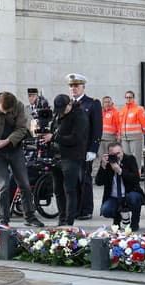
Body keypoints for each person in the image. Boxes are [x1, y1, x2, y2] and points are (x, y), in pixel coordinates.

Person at [0, 91, 44, 227]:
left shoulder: (18, 106)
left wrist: (6, 141)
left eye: (9, 111)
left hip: (14, 148)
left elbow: (21, 129)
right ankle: (3, 220)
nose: (6, 113)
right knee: (3, 185)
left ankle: (29, 217)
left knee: (24, 184)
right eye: (4, 110)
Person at [46, 94, 89, 226]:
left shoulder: (79, 116)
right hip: (56, 156)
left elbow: (75, 138)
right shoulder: (58, 115)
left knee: (69, 189)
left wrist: (54, 137)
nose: (61, 113)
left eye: (63, 110)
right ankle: (61, 218)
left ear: (69, 104)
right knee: (57, 190)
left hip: (71, 157)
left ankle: (69, 221)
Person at [66, 73, 102, 220]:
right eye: (71, 86)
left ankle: (86, 209)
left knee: (85, 180)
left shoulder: (92, 103)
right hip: (71, 150)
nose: (73, 89)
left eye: (76, 86)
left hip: (85, 149)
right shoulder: (68, 104)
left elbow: (97, 128)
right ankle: (75, 209)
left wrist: (93, 149)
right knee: (73, 180)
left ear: (83, 87)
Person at [96, 141, 145, 231]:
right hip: (114, 197)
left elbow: (136, 179)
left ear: (122, 151)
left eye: (118, 153)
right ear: (108, 154)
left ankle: (134, 223)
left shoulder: (130, 159)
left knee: (134, 198)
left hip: (129, 193)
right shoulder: (107, 163)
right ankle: (117, 219)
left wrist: (120, 171)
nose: (117, 156)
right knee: (106, 210)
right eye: (113, 154)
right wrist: (102, 166)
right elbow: (98, 182)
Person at [117, 90, 145, 170]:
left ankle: (136, 178)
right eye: (127, 97)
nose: (128, 99)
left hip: (136, 138)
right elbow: (119, 124)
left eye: (130, 97)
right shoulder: (122, 110)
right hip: (125, 138)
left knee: (136, 159)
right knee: (126, 159)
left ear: (133, 98)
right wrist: (119, 135)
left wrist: (143, 133)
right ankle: (128, 177)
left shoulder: (139, 109)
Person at [97, 96, 119, 173]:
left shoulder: (115, 112)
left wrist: (118, 137)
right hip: (101, 139)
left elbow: (118, 125)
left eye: (108, 102)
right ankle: (103, 174)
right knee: (102, 158)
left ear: (111, 102)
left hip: (111, 139)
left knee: (111, 158)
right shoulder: (100, 112)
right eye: (105, 102)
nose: (107, 103)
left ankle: (112, 174)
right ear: (103, 103)